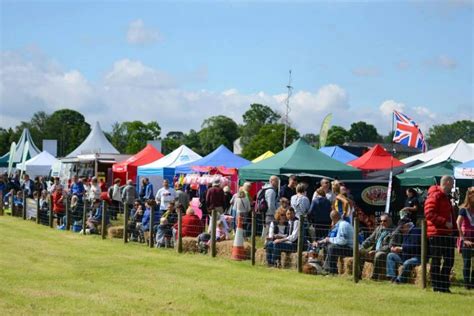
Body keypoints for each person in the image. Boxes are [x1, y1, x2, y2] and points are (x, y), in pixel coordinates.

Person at [425, 175, 456, 293]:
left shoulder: (446, 197)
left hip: (447, 233)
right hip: (436, 233)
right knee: (436, 260)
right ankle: (437, 286)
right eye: (452, 184)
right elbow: (429, 213)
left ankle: (444, 285)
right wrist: (444, 222)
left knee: (449, 260)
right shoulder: (435, 195)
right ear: (447, 182)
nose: (453, 186)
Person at [318, 210, 354, 274]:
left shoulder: (343, 225)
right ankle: (326, 268)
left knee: (332, 248)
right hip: (348, 247)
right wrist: (329, 240)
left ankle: (332, 271)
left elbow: (343, 241)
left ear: (333, 219)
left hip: (351, 249)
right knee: (328, 246)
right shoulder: (343, 224)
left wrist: (330, 239)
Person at [360, 214, 393, 280]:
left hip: (385, 253)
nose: (382, 223)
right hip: (374, 250)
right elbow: (370, 239)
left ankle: (374, 277)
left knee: (378, 255)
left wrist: (375, 251)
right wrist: (362, 246)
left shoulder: (394, 231)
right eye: (381, 221)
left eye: (384, 221)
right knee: (359, 251)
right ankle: (358, 274)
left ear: (390, 221)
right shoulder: (379, 228)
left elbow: (389, 247)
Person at [456, 187, 474, 289]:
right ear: (470, 195)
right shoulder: (463, 209)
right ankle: (467, 284)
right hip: (466, 237)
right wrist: (463, 238)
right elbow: (458, 223)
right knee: (467, 262)